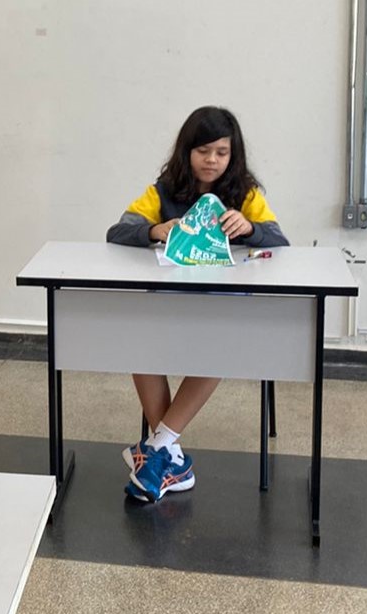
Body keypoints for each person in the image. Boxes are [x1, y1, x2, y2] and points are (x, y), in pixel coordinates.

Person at [106, 106, 289, 503]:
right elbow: (118, 230)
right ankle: (169, 457)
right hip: (171, 300)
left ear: (233, 155)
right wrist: (154, 229)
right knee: (139, 347)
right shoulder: (163, 191)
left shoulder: (246, 194)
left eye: (221, 152)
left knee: (217, 349)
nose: (211, 160)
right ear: (186, 151)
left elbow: (279, 239)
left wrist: (251, 228)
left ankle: (157, 447)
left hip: (224, 306)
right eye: (203, 151)